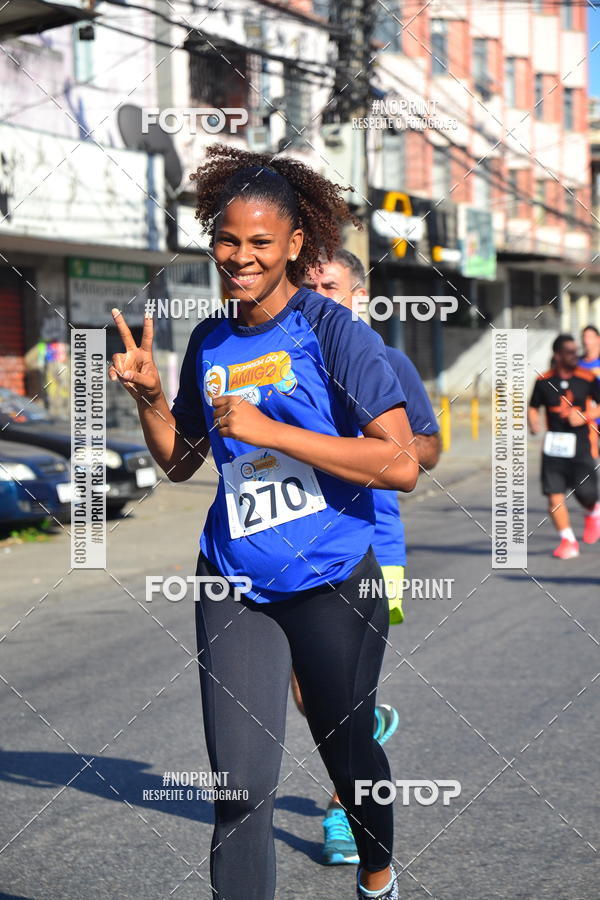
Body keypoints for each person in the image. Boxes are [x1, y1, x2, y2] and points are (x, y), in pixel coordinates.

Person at [109, 144, 419, 900]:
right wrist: (149, 395)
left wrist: (273, 430)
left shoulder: (335, 334)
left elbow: (402, 462)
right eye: (227, 240)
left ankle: (377, 875)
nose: (239, 258)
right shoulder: (211, 339)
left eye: (258, 243)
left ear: (294, 246)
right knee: (240, 791)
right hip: (234, 579)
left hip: (333, 579)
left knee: (347, 754)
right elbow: (181, 462)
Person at [297, 249, 441, 865]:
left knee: (341, 698)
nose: (317, 294)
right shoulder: (279, 362)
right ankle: (366, 729)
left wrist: (370, 445)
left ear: (359, 295)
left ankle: (339, 809)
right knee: (310, 691)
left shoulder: (386, 360)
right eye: (308, 284)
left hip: (370, 548)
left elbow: (428, 451)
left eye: (329, 284)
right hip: (291, 546)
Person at [528, 333, 600, 558]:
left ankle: (594, 512)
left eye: (575, 351)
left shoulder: (587, 378)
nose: (574, 356)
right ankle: (568, 540)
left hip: (580, 445)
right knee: (553, 493)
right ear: (557, 355)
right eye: (569, 352)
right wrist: (533, 423)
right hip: (553, 446)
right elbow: (533, 406)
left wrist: (586, 416)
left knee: (586, 493)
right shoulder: (543, 381)